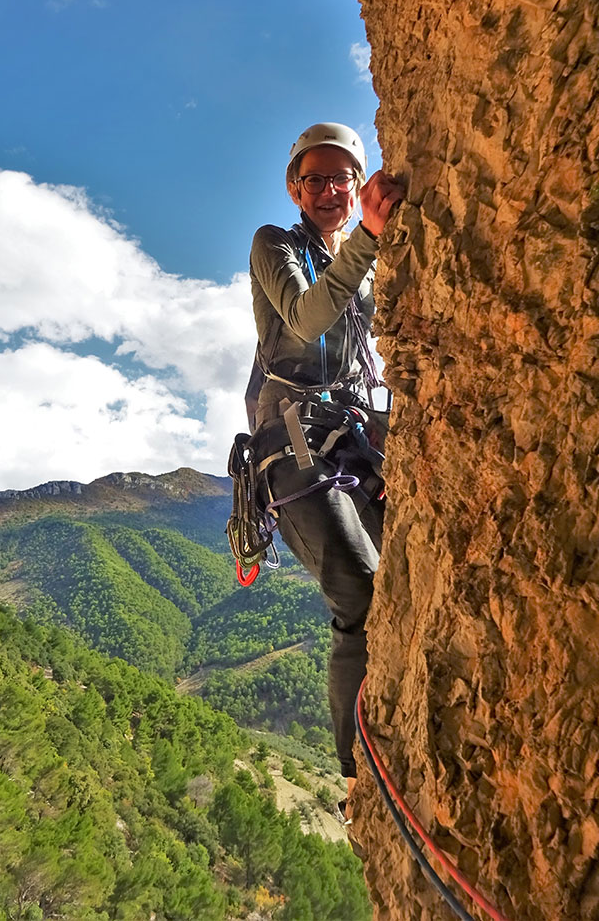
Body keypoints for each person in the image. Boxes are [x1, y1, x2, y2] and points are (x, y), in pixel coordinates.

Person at [247, 123, 403, 816]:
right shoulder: (273, 246)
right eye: (316, 178)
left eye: (343, 177)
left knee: (406, 568)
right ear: (294, 188)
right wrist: (368, 237)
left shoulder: (368, 258)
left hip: (352, 435)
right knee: (358, 597)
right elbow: (308, 319)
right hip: (294, 447)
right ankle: (351, 773)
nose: (330, 189)